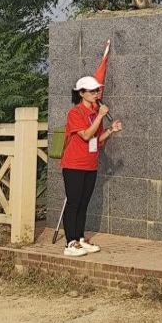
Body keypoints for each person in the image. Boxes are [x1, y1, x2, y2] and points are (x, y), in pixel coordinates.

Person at [62, 75, 122, 257]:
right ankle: (70, 243)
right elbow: (86, 135)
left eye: (97, 90)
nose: (97, 93)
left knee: (83, 203)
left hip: (90, 164)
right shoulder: (75, 113)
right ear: (81, 93)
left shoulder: (95, 113)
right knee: (73, 203)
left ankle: (80, 238)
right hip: (74, 164)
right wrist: (101, 115)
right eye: (93, 91)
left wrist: (110, 130)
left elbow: (96, 140)